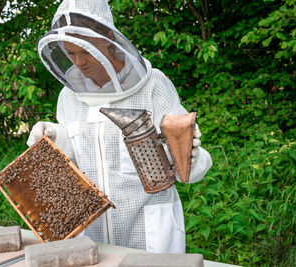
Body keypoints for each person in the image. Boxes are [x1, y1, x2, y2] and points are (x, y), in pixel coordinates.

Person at [27, 0, 212, 253]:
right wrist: (53, 137)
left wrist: (190, 154)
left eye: (85, 51)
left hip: (150, 232)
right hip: (91, 234)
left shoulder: (152, 85)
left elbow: (188, 171)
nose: (79, 62)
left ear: (108, 39)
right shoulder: (69, 96)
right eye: (70, 53)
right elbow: (73, 162)